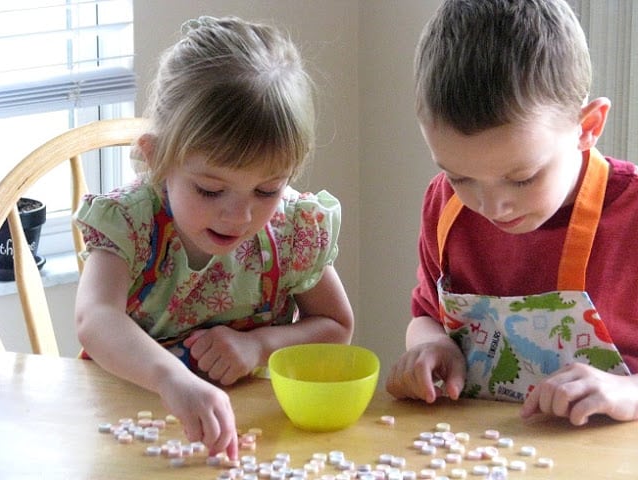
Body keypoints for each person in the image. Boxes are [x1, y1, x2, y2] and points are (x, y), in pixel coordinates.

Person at [74, 16, 354, 458]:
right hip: (124, 426)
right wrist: (172, 378)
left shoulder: (293, 230)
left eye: (267, 190)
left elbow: (337, 326)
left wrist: (258, 345)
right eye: (209, 189)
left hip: (247, 434)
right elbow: (95, 319)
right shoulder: (130, 222)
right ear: (157, 158)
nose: (240, 215)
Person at [386, 0, 638, 427]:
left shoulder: (630, 218)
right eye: (460, 177)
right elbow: (427, 315)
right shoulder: (444, 208)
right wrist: (431, 345)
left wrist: (630, 392)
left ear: (588, 127)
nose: (491, 206)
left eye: (522, 179)